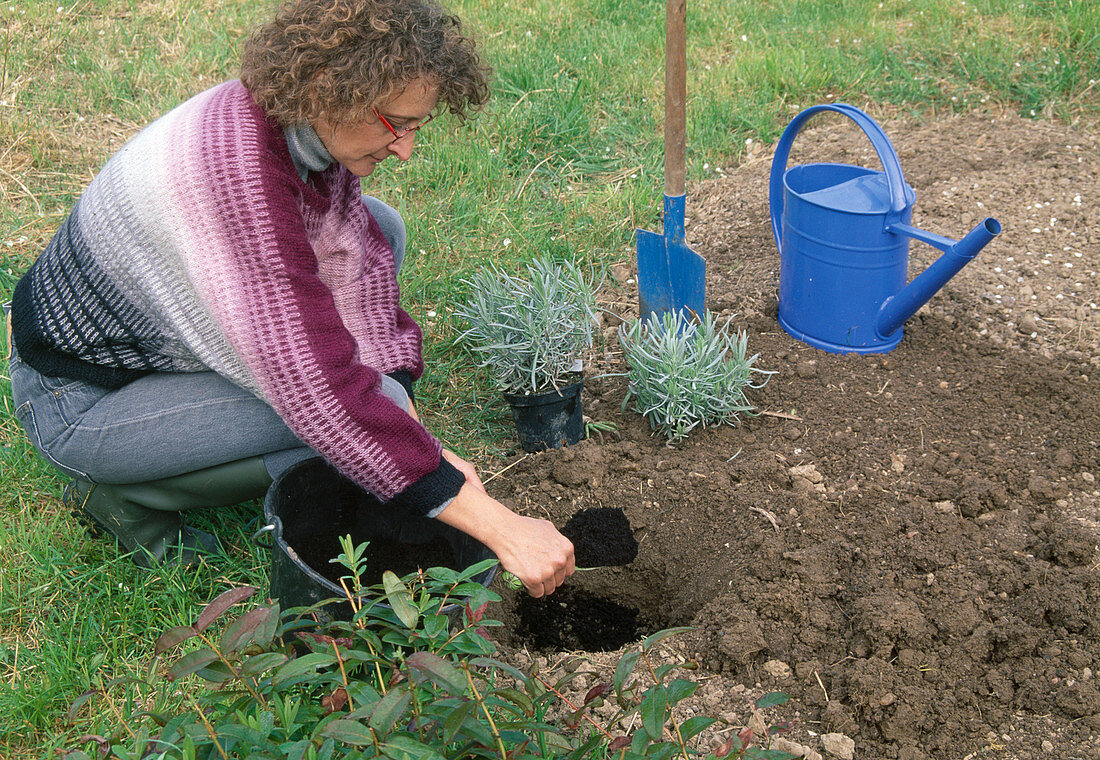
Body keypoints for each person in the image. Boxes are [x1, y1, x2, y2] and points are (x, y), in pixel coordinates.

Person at [5, 0, 574, 597]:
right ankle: (118, 493)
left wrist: (417, 439)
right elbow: (318, 391)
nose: (405, 148)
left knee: (382, 231)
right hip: (79, 400)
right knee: (337, 416)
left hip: (145, 346)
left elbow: (357, 270)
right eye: (396, 123)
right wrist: (501, 526)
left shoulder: (294, 122)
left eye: (417, 126)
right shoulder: (234, 176)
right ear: (335, 89)